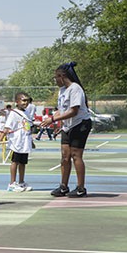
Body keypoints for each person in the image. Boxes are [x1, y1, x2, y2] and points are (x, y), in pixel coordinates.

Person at [41, 61, 92, 198]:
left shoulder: (75, 89)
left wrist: (52, 120)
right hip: (68, 126)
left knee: (76, 155)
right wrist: (56, 122)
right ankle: (63, 186)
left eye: (55, 77)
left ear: (62, 76)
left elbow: (73, 111)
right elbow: (61, 110)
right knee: (65, 156)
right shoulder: (62, 91)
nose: (55, 80)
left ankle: (81, 188)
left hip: (80, 124)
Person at [0, 92, 34, 192]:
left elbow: (27, 128)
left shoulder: (26, 113)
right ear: (17, 102)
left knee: (23, 163)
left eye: (27, 101)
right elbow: (7, 128)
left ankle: (21, 182)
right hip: (17, 142)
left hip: (25, 142)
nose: (26, 103)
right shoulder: (13, 113)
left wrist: (31, 141)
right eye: (23, 100)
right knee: (15, 162)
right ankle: (12, 183)